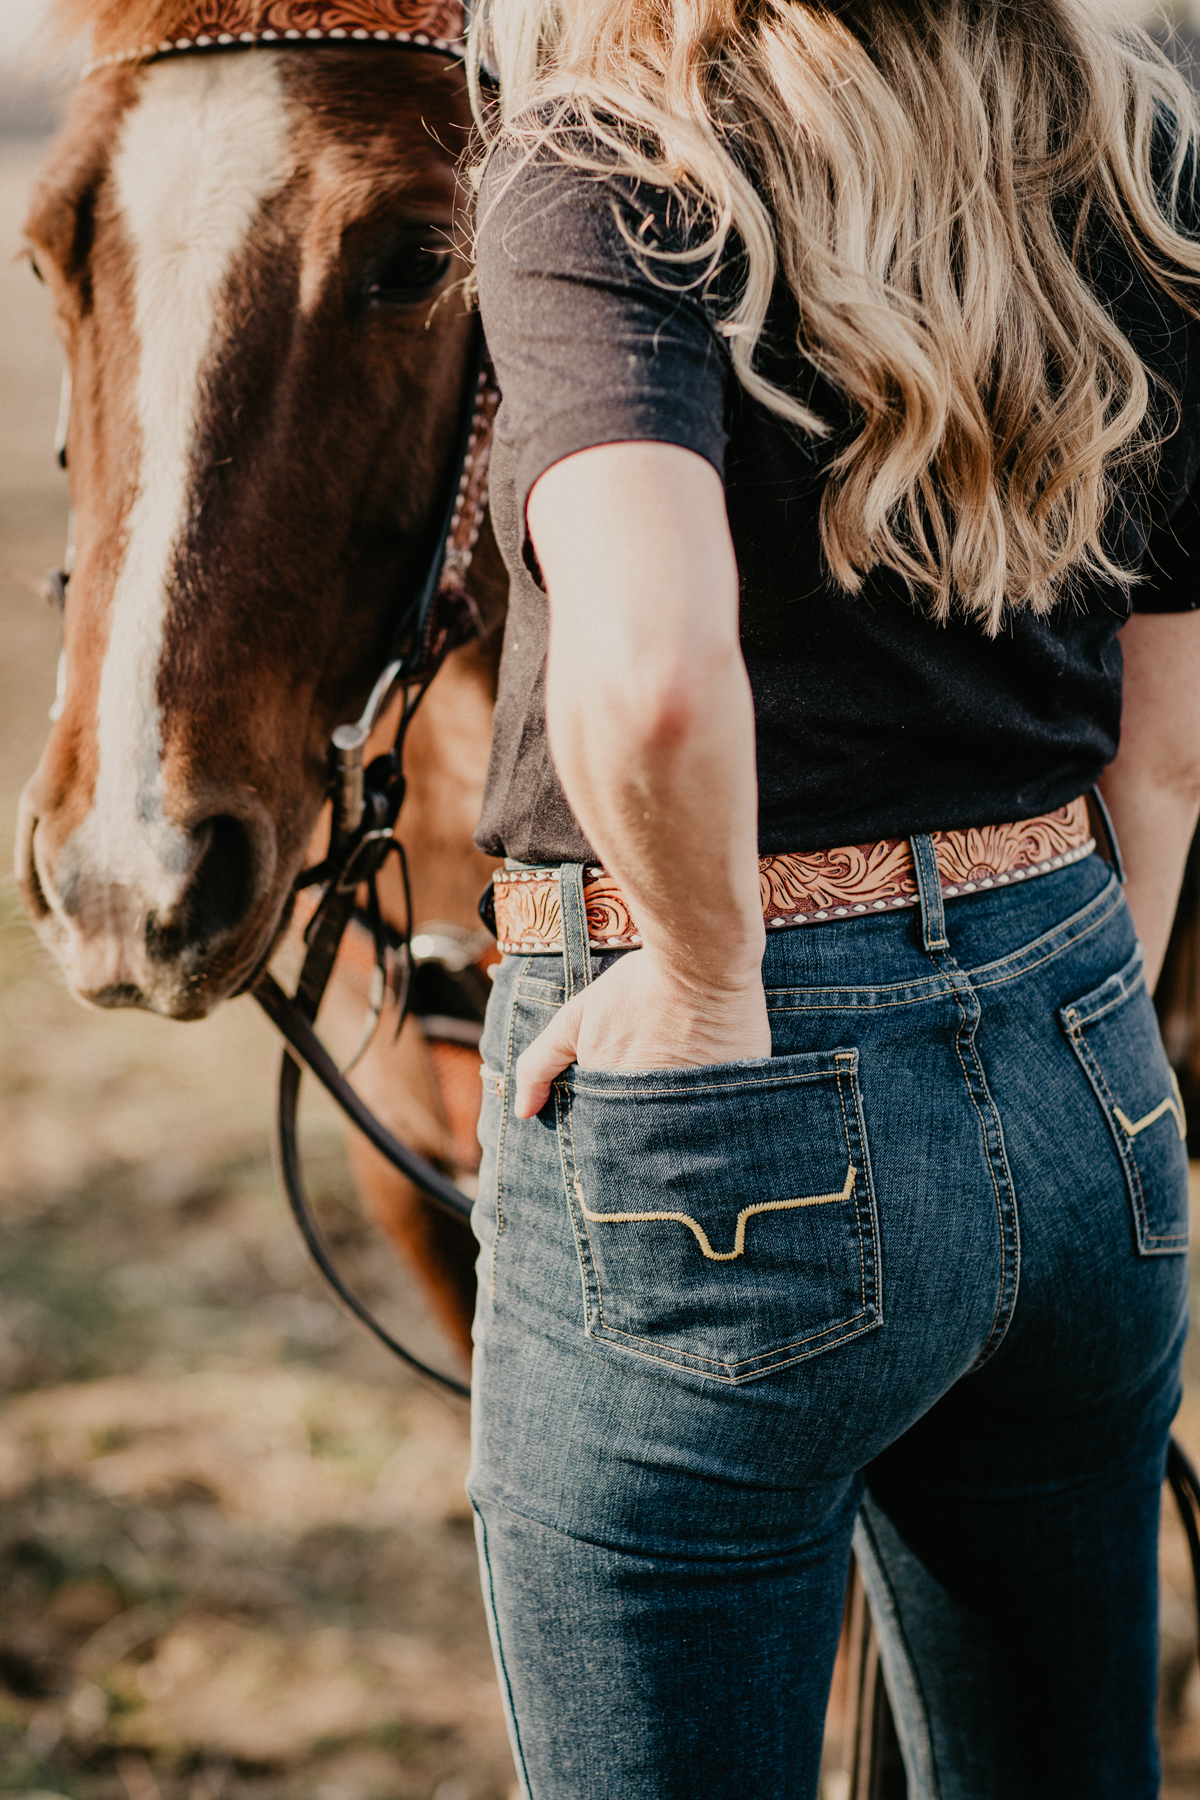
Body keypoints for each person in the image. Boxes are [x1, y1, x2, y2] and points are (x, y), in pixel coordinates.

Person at [463, 1, 1200, 1793]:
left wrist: (708, 977)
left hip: (732, 1110)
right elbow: (1166, 747)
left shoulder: (607, 167)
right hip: (1085, 1033)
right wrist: (1072, 1012)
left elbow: (646, 676)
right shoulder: (1130, 152)